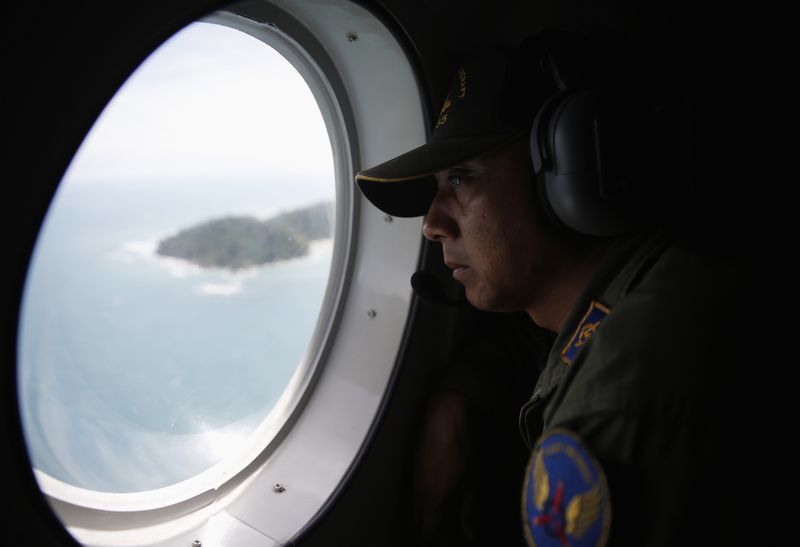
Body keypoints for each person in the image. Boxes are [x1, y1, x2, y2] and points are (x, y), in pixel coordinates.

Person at [355, 31, 747, 546]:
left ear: (572, 166)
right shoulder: (661, 277)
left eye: (460, 178)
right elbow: (535, 345)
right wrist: (459, 398)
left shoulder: (612, 404)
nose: (431, 224)